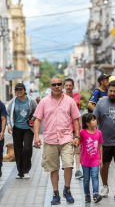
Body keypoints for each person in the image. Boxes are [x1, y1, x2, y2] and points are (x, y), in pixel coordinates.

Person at [33, 76, 81, 205]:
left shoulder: (70, 101)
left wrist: (77, 136)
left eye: (59, 84)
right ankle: (55, 193)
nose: (57, 87)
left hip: (66, 139)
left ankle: (67, 189)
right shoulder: (43, 102)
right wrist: (36, 136)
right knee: (53, 168)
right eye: (54, 85)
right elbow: (37, 119)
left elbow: (76, 118)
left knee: (68, 165)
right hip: (50, 139)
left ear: (62, 85)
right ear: (50, 86)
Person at [7, 83, 37, 179]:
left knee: (27, 148)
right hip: (17, 128)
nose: (19, 91)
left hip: (28, 128)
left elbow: (36, 112)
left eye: (21, 89)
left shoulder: (31, 100)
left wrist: (32, 119)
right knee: (18, 150)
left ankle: (26, 169)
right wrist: (9, 125)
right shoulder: (13, 102)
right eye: (17, 90)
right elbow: (8, 114)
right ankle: (20, 171)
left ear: (24, 90)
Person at [80, 113, 103, 203]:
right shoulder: (82, 133)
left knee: (95, 176)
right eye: (93, 120)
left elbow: (100, 146)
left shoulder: (99, 133)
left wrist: (101, 158)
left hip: (95, 160)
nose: (95, 121)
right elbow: (78, 142)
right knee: (86, 178)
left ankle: (96, 194)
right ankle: (87, 194)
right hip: (85, 160)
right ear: (87, 123)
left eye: (95, 119)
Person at [64, 78, 83, 179]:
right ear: (64, 86)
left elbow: (74, 104)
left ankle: (78, 170)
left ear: (73, 86)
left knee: (77, 149)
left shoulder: (76, 95)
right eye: (66, 85)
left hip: (75, 127)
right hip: (64, 127)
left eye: (70, 85)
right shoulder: (62, 96)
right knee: (67, 149)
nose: (68, 87)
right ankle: (68, 166)